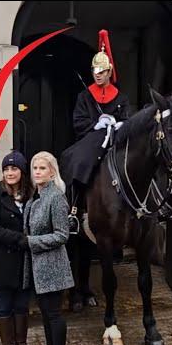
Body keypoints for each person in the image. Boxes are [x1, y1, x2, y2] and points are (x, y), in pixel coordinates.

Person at [60, 29, 130, 231]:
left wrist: (118, 124)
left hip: (116, 136)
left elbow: (127, 119)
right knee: (77, 159)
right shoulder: (84, 96)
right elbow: (78, 122)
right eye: (94, 72)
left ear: (109, 72)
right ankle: (74, 209)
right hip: (93, 136)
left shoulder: (121, 97)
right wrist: (97, 123)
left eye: (101, 72)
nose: (97, 75)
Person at [0, 151, 34, 345]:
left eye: (14, 168)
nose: (10, 173)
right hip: (2, 262)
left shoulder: (30, 193)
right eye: (6, 169)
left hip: (24, 262)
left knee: (22, 305)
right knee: (4, 305)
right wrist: (22, 240)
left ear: (22, 171)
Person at [22, 151, 75, 345]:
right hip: (39, 269)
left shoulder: (56, 197)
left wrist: (31, 242)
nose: (37, 172)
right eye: (35, 168)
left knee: (53, 315)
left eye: (42, 168)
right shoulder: (35, 197)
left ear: (52, 173)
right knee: (46, 315)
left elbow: (62, 235)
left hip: (53, 267)